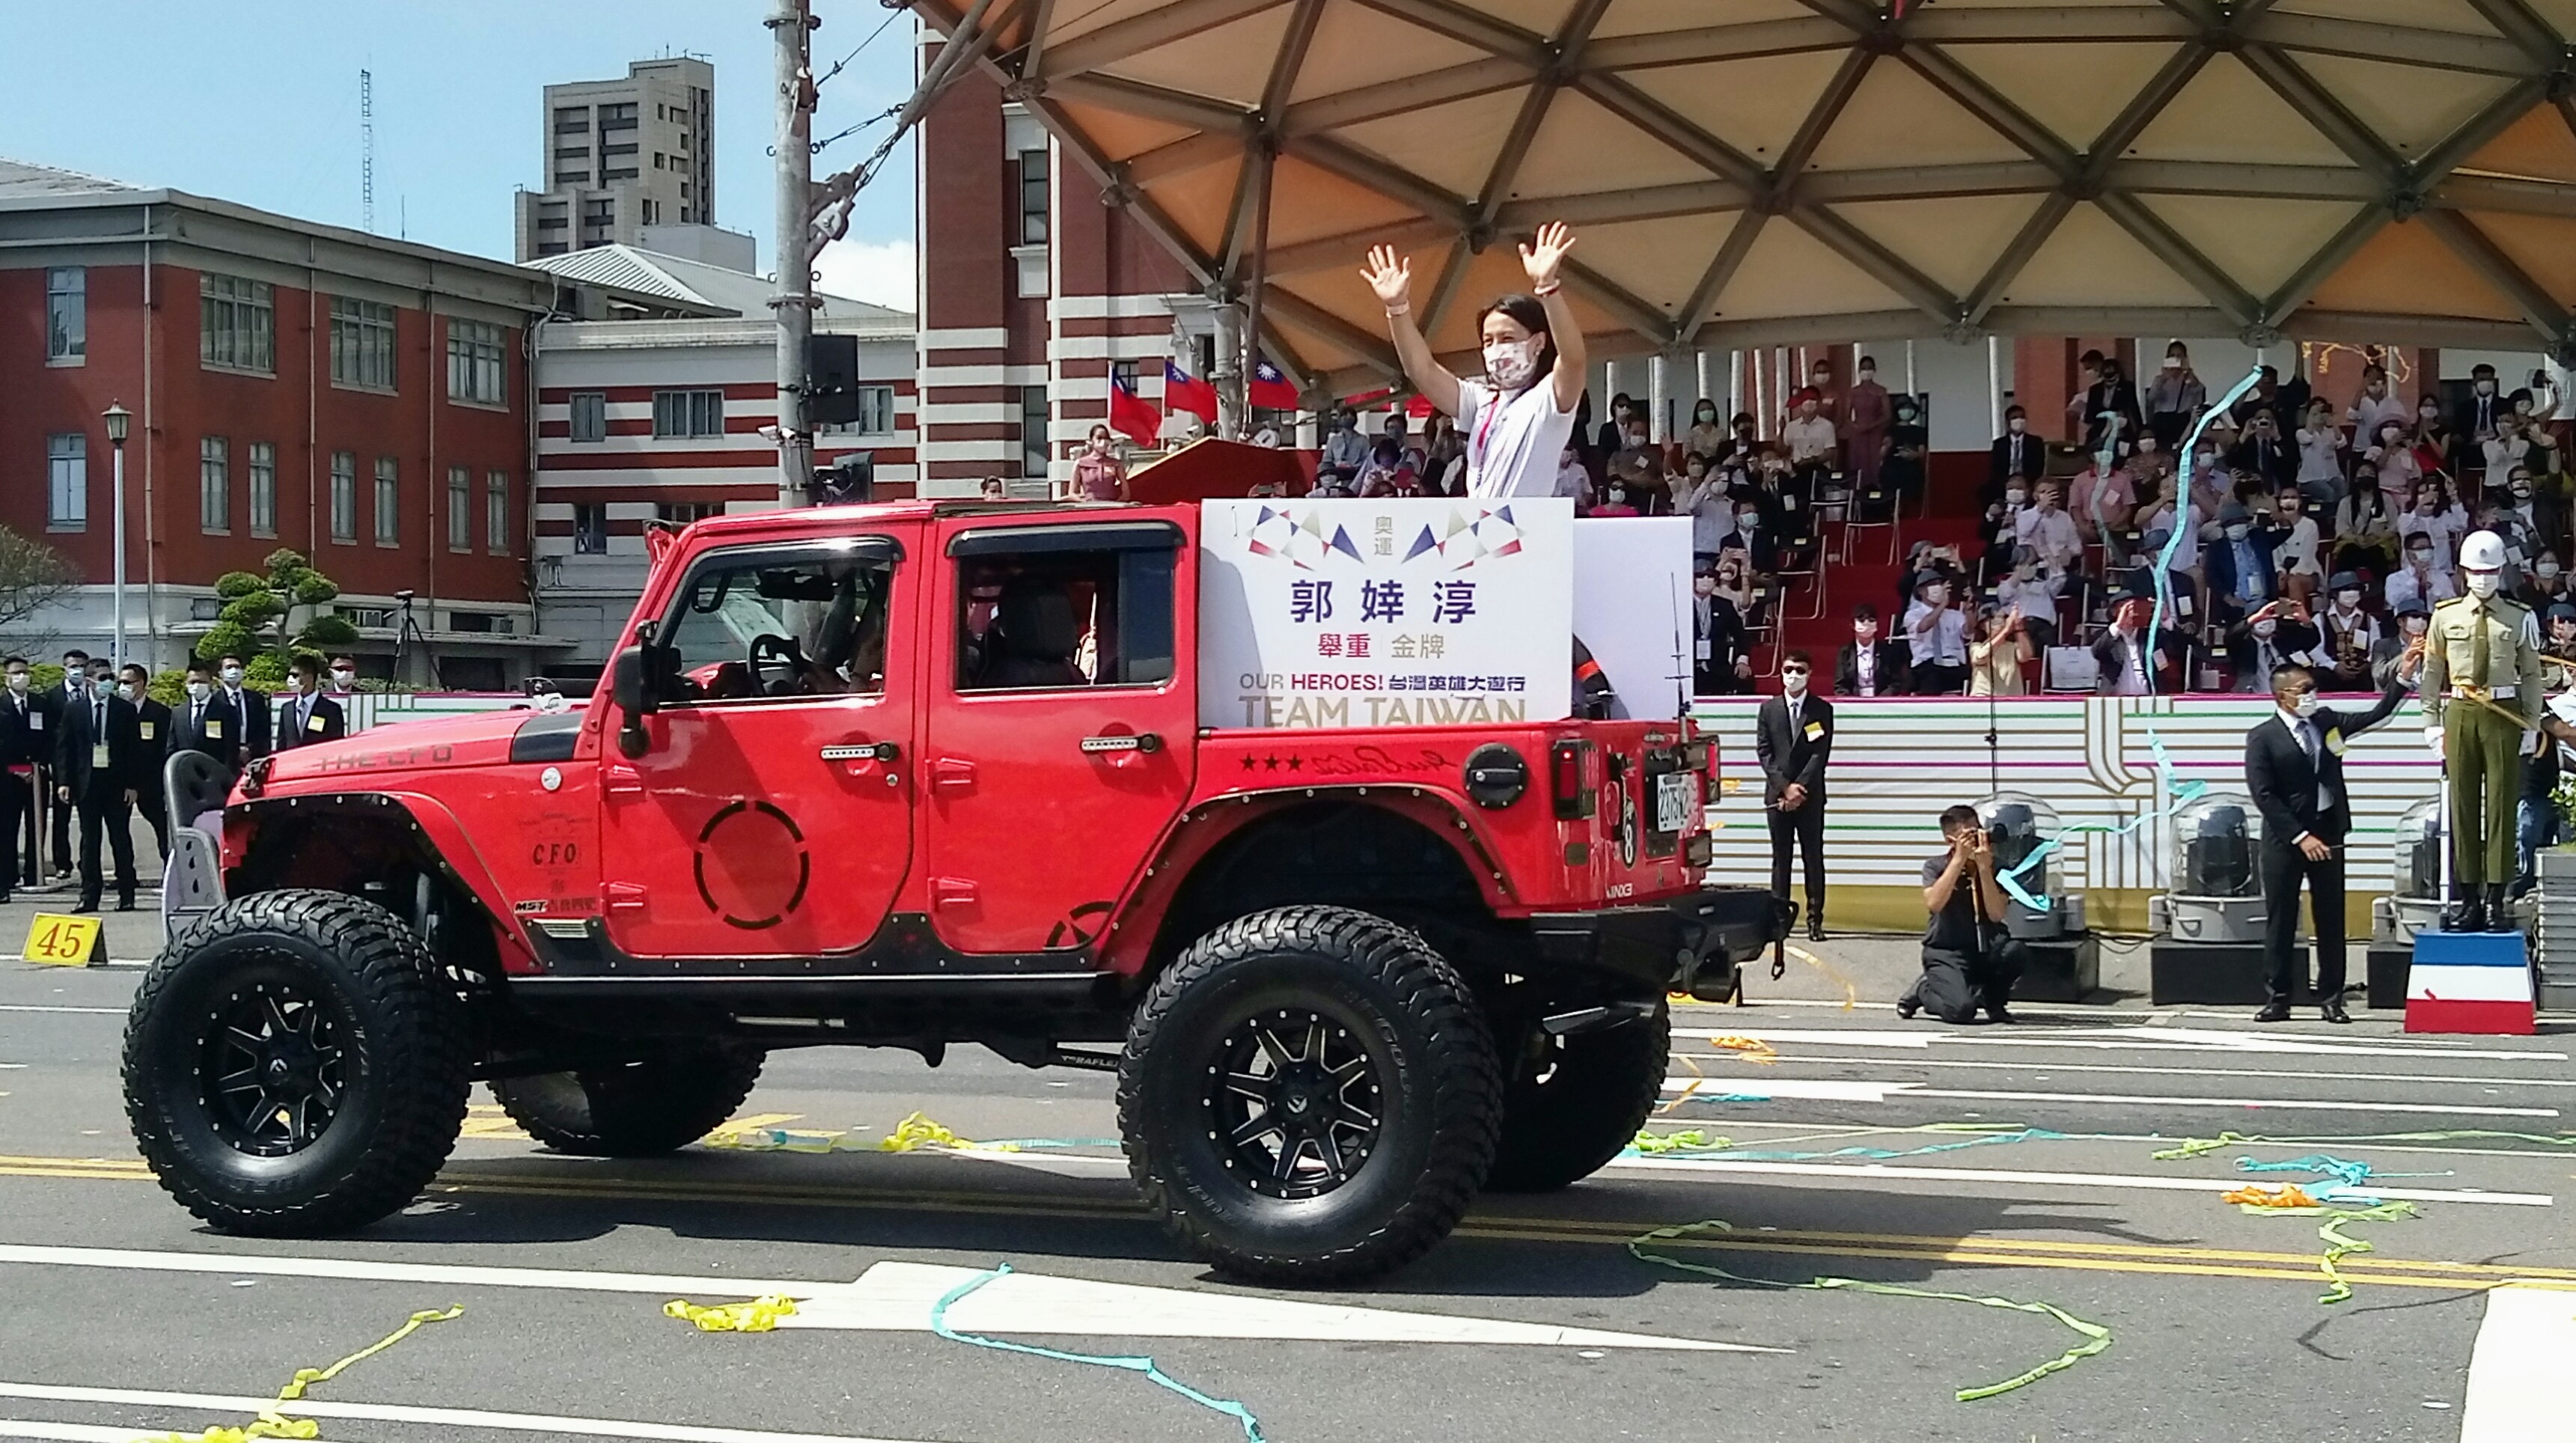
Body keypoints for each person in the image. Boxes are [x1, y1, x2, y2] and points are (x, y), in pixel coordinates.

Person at [1363, 222, 1586, 498]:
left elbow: (1573, 360)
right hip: (1478, 521)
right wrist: (1397, 308)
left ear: (1539, 342)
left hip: (1526, 524)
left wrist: (1547, 287)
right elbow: (1422, 370)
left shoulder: (1549, 399)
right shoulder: (1480, 401)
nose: (1497, 349)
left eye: (1507, 338)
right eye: (1488, 341)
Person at [2245, 663, 2410, 1022]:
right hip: (2286, 838)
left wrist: (2403, 678)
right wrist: (2300, 836)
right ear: (2282, 696)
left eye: (2313, 688)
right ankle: (2279, 998)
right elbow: (2264, 794)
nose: (2311, 694)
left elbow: (2378, 716)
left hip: (2328, 830)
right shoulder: (2263, 737)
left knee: (2331, 917)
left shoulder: (2326, 721)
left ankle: (2332, 997)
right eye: (2303, 689)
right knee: (2281, 919)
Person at [2423, 530, 2544, 930]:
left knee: (2502, 806)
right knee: (2462, 807)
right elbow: (2432, 673)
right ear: (2463, 572)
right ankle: (2469, 898)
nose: (2483, 579)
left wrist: (2531, 723)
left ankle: (2496, 898)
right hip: (2461, 709)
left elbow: (2531, 674)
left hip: (2503, 710)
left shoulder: (2520, 615)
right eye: (2476, 572)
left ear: (2501, 572)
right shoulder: (2446, 615)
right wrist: (2430, 723)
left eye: (2490, 572)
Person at [1899, 804, 2021, 1025]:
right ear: (1950, 841)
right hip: (1947, 951)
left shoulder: (1996, 866)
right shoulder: (1936, 867)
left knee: (2016, 951)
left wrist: (1984, 869)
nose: (1974, 841)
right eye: (1968, 837)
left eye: (1977, 832)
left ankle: (1993, 1002)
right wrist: (1959, 860)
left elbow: (1996, 914)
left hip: (1984, 948)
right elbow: (1934, 904)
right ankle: (1924, 991)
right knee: (1961, 1011)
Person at [1756, 652, 1832, 942]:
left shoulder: (1821, 709)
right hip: (1778, 797)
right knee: (1781, 859)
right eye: (1789, 669)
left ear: (1809, 673)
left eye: (1800, 670)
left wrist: (1799, 788)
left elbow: (1819, 754)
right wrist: (1784, 787)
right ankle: (1779, 921)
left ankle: (1815, 920)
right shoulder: (1768, 710)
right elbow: (1765, 752)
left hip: (1810, 797)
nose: (1793, 675)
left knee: (1813, 857)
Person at [56, 656, 140, 914]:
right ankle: (89, 896)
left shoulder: (124, 709)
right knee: (89, 842)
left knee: (120, 839)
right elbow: (65, 747)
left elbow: (134, 750)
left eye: (110, 678)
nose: (108, 683)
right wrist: (64, 781)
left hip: (116, 783)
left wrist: (132, 784)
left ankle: (127, 894)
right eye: (102, 678)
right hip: (87, 783)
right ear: (89, 680)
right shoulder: (74, 709)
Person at [2093, 582, 2190, 695]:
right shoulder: (2106, 635)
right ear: (2114, 611)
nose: (2132, 611)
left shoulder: (2153, 636)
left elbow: (2179, 648)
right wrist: (2119, 624)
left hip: (2149, 699)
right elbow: (2098, 652)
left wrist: (2165, 619)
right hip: (2114, 699)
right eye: (2126, 606)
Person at [118, 664, 170, 867]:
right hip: (122, 782)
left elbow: (165, 748)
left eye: (127, 682)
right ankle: (125, 874)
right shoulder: (115, 711)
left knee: (162, 827)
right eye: (120, 682)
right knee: (120, 831)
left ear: (141, 683)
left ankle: (170, 869)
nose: (122, 686)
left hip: (152, 782)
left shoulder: (160, 713)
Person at [42, 648, 83, 881]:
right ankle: (62, 862)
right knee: (61, 817)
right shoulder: (52, 697)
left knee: (89, 819)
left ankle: (87, 862)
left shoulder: (92, 692)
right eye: (73, 666)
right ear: (64, 668)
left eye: (81, 666)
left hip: (88, 764)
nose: (78, 670)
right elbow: (48, 733)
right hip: (61, 765)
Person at [2229, 599, 2321, 695]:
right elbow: (2231, 636)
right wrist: (2253, 619)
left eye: (2270, 617)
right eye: (2261, 619)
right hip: (2254, 696)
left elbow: (2312, 641)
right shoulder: (2241, 644)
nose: (2266, 622)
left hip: (2289, 696)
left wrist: (2306, 621)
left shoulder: (2285, 639)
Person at [0, 657, 35, 903]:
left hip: (37, 774)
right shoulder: (2, 710)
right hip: (8, 778)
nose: (21, 676)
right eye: (15, 673)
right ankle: (7, 878)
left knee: (36, 828)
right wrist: (16, 769)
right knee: (6, 830)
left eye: (24, 672)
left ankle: (33, 874)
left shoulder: (40, 704)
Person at [1902, 571, 1970, 694]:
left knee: (1971, 675)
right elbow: (1924, 627)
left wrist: (1970, 608)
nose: (1938, 587)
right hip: (1927, 663)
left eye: (1940, 584)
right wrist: (1943, 604)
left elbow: (1968, 631)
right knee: (1931, 677)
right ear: (1921, 591)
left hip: (1954, 664)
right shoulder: (1913, 614)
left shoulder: (1955, 614)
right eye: (1933, 584)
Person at [1691, 568, 1752, 698]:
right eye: (1701, 576)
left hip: (1718, 666)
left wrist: (1742, 660)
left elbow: (1741, 635)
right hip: (1689, 667)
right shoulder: (1681, 605)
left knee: (1746, 679)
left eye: (1710, 577)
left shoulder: (1724, 605)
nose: (1706, 580)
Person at [168, 664, 241, 772]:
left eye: (202, 682)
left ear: (211, 683)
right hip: (186, 774)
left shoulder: (227, 711)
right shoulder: (178, 713)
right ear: (186, 684)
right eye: (193, 682)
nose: (197, 685)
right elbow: (172, 747)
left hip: (215, 773)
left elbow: (231, 751)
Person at [1840, 356, 1892, 492]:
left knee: (1874, 464)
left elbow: (1887, 415)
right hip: (1857, 432)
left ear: (1874, 370)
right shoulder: (1853, 392)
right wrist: (1856, 427)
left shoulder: (1881, 391)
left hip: (1875, 432)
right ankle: (1856, 495)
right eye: (1864, 368)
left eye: (1869, 368)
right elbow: (1846, 417)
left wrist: (1872, 425)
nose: (1867, 371)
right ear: (1859, 371)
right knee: (1857, 463)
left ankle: (1875, 493)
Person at [1837, 604, 1910, 698]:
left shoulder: (1888, 651)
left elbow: (1896, 683)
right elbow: (1840, 686)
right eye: (1861, 620)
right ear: (1852, 625)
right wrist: (1851, 701)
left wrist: (1880, 700)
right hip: (1854, 701)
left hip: (1883, 702)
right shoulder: (1845, 652)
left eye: (1871, 620)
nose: (1866, 624)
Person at [274, 656, 347, 751]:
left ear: (310, 676)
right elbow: (281, 744)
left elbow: (336, 745)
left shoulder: (331, 709)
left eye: (296, 675)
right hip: (292, 759)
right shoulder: (287, 709)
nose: (291, 679)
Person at [2146, 341, 2206, 451]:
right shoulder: (2160, 379)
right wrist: (2164, 378)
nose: (2176, 359)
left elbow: (2199, 393)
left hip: (2182, 421)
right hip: (2162, 422)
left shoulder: (2189, 377)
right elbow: (2151, 398)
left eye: (2179, 356)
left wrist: (2188, 373)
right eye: (2172, 356)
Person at [1969, 602, 2032, 697]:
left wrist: (2019, 628)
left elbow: (2025, 657)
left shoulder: (2012, 646)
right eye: (1992, 620)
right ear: (1982, 626)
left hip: (2011, 698)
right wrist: (2006, 631)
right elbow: (1982, 657)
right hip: (1984, 696)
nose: (1997, 622)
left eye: (2000, 619)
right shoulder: (1976, 646)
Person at [1988, 405, 2041, 506]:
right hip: (2006, 480)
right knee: (1986, 489)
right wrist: (2008, 482)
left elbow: (2038, 467)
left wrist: (2025, 482)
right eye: (2015, 418)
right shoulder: (1999, 444)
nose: (2019, 420)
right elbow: (1996, 468)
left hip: (2028, 480)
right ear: (2008, 422)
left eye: (2022, 417)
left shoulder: (2035, 442)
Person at [1070, 424, 1128, 501]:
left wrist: (1118, 504)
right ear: (1091, 441)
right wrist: (1083, 501)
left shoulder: (1116, 464)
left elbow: (1126, 493)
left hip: (1111, 505)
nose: (1103, 441)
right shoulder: (1080, 463)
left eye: (1106, 438)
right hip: (1089, 505)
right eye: (1099, 438)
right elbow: (1072, 493)